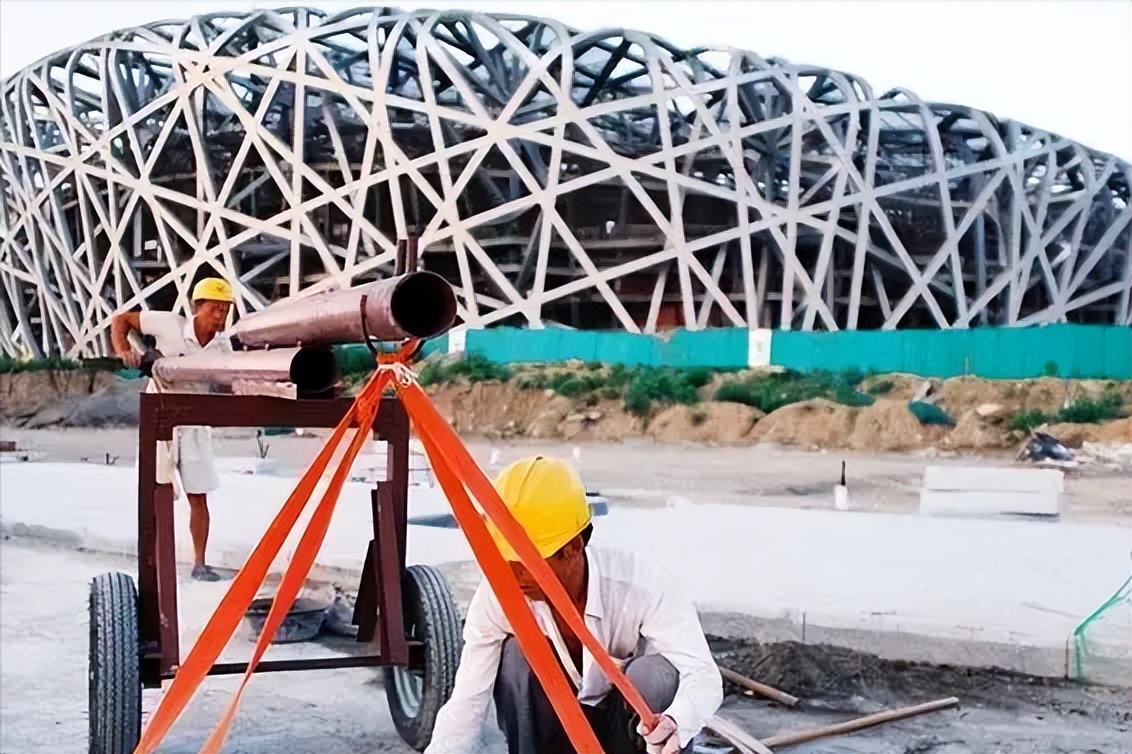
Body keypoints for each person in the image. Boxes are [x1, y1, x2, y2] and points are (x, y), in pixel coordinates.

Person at [425, 456, 722, 754]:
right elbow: (467, 700)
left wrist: (676, 721)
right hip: (558, 729)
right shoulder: (500, 593)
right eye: (505, 560)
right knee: (517, 657)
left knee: (654, 676)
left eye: (524, 561)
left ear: (573, 548)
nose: (512, 574)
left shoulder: (644, 586)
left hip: (630, 733)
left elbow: (703, 677)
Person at [110, 277, 236, 582]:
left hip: (194, 420)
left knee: (199, 494)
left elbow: (231, 385)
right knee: (157, 491)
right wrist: (123, 349)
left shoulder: (223, 346)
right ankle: (154, 560)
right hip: (161, 413)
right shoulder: (169, 325)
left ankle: (199, 563)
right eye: (213, 309)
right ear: (197, 308)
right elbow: (121, 320)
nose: (219, 316)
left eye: (224, 310)